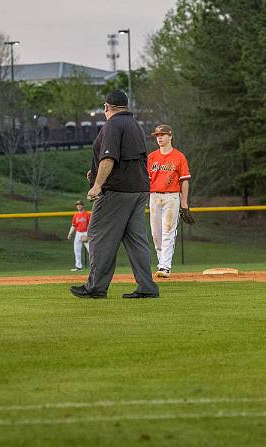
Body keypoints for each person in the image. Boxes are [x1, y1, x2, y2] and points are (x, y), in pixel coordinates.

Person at [69, 89, 160, 299]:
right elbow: (129, 158)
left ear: (107, 107)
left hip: (117, 191)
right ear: (125, 106)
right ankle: (147, 287)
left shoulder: (113, 124)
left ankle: (96, 287)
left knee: (99, 236)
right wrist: (95, 172)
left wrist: (97, 184)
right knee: (137, 240)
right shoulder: (135, 125)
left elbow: (109, 158)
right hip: (138, 189)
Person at [147, 124, 191, 278]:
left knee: (168, 231)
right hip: (154, 197)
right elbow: (147, 180)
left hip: (172, 196)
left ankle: (165, 266)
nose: (159, 137)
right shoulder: (152, 157)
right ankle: (162, 264)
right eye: (157, 135)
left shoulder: (179, 156)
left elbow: (184, 181)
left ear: (170, 136)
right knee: (156, 234)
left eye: (163, 134)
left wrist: (184, 202)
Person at [67, 200, 90, 271]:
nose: (78, 206)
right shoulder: (76, 215)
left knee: (91, 250)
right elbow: (73, 225)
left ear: (83, 206)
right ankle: (78, 267)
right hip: (78, 233)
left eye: (80, 204)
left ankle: (96, 266)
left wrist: (89, 235)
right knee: (77, 250)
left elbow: (91, 225)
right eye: (77, 205)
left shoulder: (87, 214)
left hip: (86, 233)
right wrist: (70, 233)